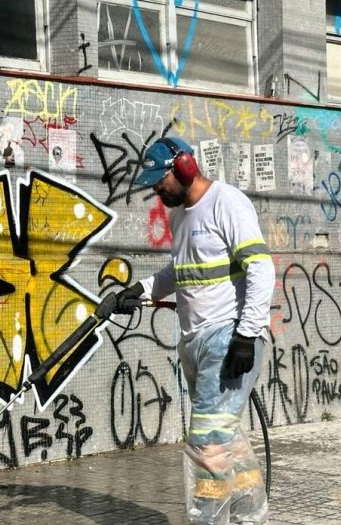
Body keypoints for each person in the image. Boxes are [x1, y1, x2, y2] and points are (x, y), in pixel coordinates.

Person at [114, 136, 275, 524]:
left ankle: (209, 520)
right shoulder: (180, 215)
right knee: (228, 440)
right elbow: (179, 271)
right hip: (196, 341)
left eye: (160, 179)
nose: (156, 188)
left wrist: (246, 335)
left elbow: (260, 268)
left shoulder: (227, 202)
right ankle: (249, 516)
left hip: (228, 339)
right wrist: (140, 290)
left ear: (185, 166)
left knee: (207, 442)